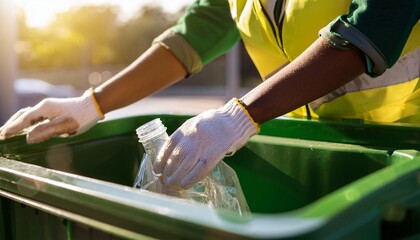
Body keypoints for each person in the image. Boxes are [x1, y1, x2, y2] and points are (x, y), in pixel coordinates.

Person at [1, 0, 419, 191]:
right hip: (321, 153)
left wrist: (243, 115)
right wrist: (92, 103)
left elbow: (374, 27)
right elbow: (193, 37)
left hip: (407, 153)